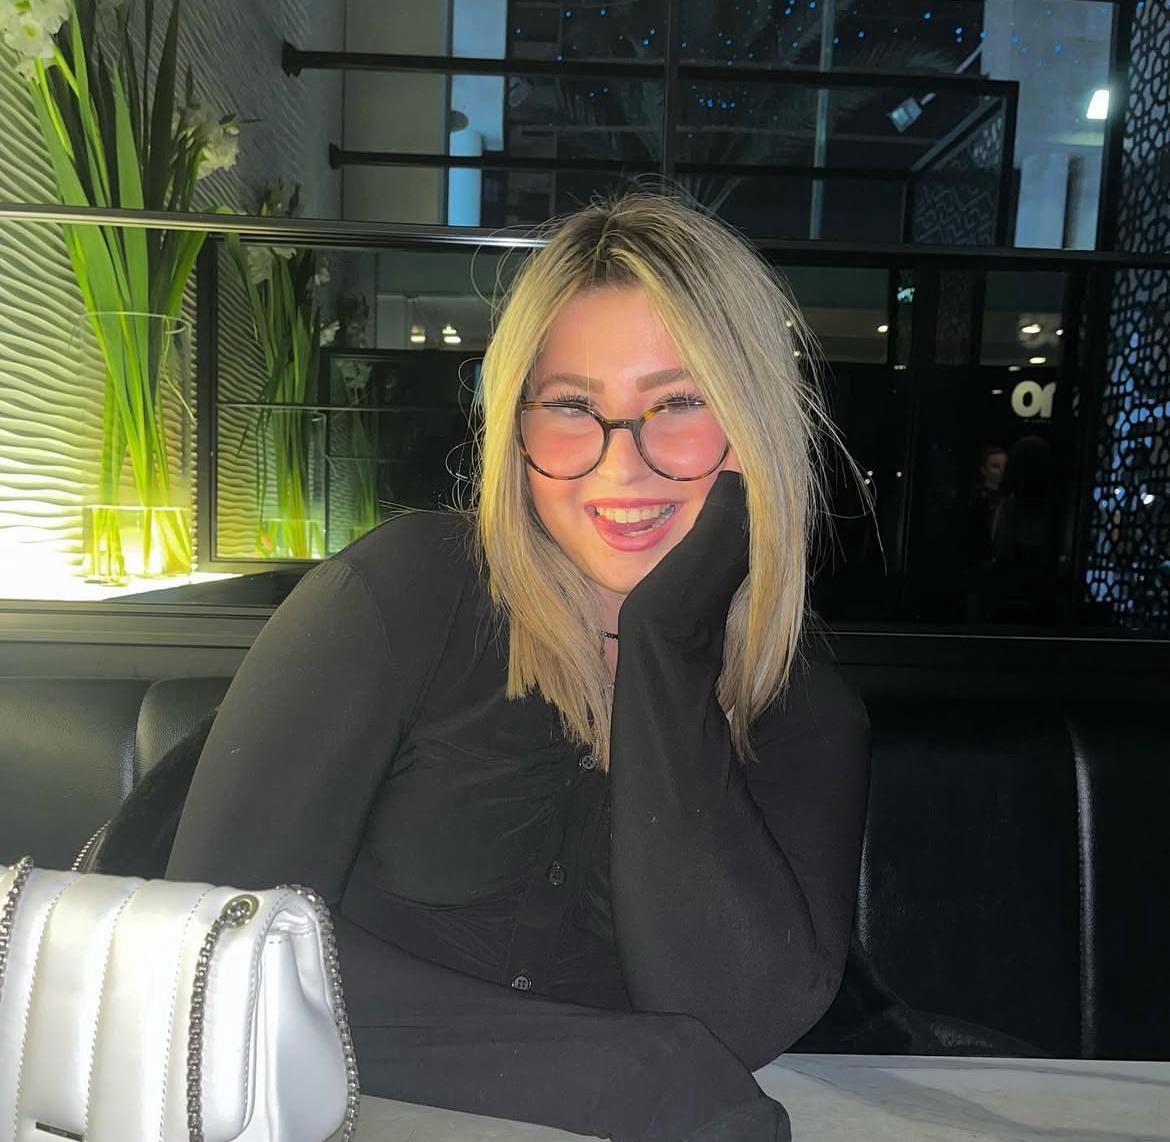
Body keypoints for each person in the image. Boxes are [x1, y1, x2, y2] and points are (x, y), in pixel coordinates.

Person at [165, 192, 871, 1141]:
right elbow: (215, 945)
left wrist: (665, 651)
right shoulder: (405, 596)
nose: (622, 466)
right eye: (573, 407)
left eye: (678, 405)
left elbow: (736, 1020)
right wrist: (624, 1073)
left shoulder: (806, 710)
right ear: (515, 430)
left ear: (756, 427)